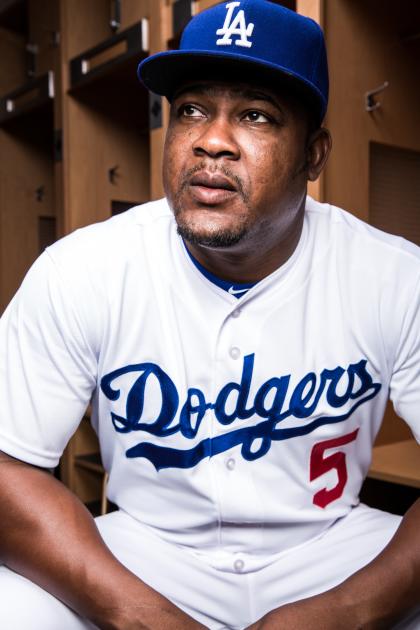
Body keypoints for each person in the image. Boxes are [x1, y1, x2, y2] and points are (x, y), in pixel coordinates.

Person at [0, 1, 419, 628]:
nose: (210, 140)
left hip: (333, 548)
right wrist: (134, 613)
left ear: (314, 155)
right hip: (147, 551)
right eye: (191, 109)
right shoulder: (83, 268)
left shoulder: (395, 275)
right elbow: (6, 467)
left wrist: (348, 612)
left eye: (255, 115)